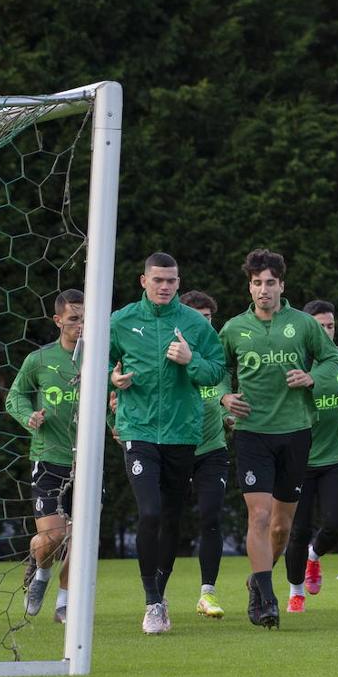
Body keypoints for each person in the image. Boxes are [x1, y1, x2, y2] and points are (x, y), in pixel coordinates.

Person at [219, 249, 338, 629]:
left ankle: (257, 579)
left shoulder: (304, 325)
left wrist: (311, 378)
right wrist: (225, 397)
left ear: (282, 285)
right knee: (259, 515)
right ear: (249, 286)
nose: (264, 289)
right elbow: (216, 369)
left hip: (295, 432)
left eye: (270, 282)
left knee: (282, 527)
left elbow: (332, 362)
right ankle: (266, 597)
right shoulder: (234, 328)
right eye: (257, 283)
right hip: (252, 434)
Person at [110, 253, 226, 634]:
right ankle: (152, 603)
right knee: (150, 513)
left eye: (171, 281)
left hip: (181, 434)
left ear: (178, 283)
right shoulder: (122, 321)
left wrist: (191, 360)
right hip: (138, 431)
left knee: (172, 518)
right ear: (143, 281)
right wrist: (113, 379)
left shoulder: (193, 323)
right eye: (158, 279)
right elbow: (94, 365)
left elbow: (217, 370)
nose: (164, 286)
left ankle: (160, 593)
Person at [283, 300, 338, 613]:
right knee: (298, 531)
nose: (326, 331)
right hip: (298, 462)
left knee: (335, 525)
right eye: (319, 327)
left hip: (334, 458)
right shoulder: (292, 363)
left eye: (330, 326)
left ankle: (314, 557)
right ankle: (296, 592)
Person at [8, 289, 84, 624]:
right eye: (73, 319)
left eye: (85, 319)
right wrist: (29, 417)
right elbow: (15, 397)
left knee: (82, 538)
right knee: (54, 536)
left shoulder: (101, 359)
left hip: (88, 460)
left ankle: (65, 603)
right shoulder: (39, 360)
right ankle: (40, 574)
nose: (80, 325)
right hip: (49, 458)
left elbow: (114, 399)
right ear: (57, 321)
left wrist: (115, 419)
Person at [178, 290, 233, 619]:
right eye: (196, 317)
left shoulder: (218, 360)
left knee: (211, 517)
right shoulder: (168, 356)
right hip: (172, 448)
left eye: (208, 318)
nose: (203, 324)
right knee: (161, 519)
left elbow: (224, 394)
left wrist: (231, 414)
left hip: (212, 450)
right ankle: (155, 596)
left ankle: (207, 593)